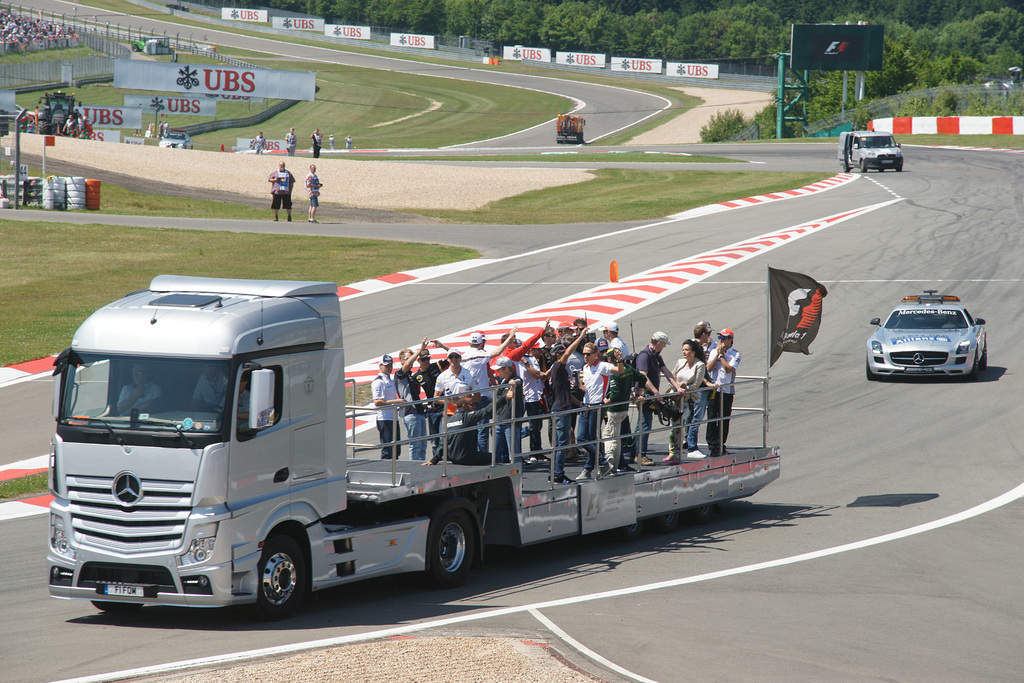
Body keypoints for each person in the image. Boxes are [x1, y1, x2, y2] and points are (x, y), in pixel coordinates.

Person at [575, 337, 626, 480]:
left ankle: (589, 468)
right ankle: (598, 464)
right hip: (586, 406)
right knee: (582, 438)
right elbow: (586, 386)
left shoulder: (602, 365)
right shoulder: (584, 368)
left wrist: (619, 360)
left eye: (588, 354)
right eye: (584, 354)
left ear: (595, 354)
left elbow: (619, 370)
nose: (585, 356)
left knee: (590, 439)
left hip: (597, 406)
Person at [634, 331, 685, 466]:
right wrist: (655, 391)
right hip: (644, 396)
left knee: (641, 425)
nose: (665, 347)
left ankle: (634, 452)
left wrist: (677, 387)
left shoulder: (656, 355)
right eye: (664, 344)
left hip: (650, 395)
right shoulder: (645, 356)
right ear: (658, 343)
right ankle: (640, 455)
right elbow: (642, 376)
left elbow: (666, 371)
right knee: (644, 425)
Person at [548, 332, 588, 484]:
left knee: (560, 444)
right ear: (559, 354)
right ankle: (558, 475)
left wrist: (581, 404)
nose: (566, 354)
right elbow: (568, 352)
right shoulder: (558, 367)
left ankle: (555, 473)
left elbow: (567, 395)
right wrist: (580, 338)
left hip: (561, 407)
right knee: (562, 445)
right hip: (561, 410)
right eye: (563, 353)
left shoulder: (556, 369)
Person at [423, 384, 491, 467]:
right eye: (471, 404)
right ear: (464, 406)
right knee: (492, 457)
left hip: (453, 458)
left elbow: (443, 443)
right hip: (467, 458)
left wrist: (434, 460)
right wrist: (504, 398)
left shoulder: (449, 420)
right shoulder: (468, 417)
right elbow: (487, 410)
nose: (473, 407)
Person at [602, 347, 643, 471]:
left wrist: (604, 402)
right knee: (617, 437)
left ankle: (609, 464)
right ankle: (617, 464)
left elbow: (614, 396)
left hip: (614, 409)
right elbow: (642, 378)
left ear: (610, 359)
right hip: (624, 409)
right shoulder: (629, 369)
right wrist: (636, 395)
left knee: (609, 436)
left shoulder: (614, 374)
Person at [669, 339, 707, 461]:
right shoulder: (680, 362)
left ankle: (684, 450)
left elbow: (696, 385)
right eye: (683, 350)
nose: (684, 352)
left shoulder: (699, 365)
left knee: (681, 424)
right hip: (676, 397)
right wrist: (677, 388)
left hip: (688, 399)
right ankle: (673, 452)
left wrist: (685, 387)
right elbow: (673, 376)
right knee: (674, 426)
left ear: (693, 352)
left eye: (687, 350)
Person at [706, 328, 741, 457]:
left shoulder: (736, 354)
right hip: (714, 389)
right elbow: (708, 368)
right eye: (720, 338)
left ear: (730, 340)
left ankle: (721, 444)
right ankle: (712, 445)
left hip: (727, 391)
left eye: (724, 338)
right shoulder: (714, 351)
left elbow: (728, 369)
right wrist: (716, 355)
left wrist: (722, 356)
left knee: (724, 419)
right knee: (712, 417)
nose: (721, 340)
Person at [394, 341, 429, 461]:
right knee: (415, 444)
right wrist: (421, 349)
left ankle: (422, 466)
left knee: (423, 444)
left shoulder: (411, 376)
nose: (411, 361)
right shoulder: (399, 374)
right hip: (410, 412)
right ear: (401, 360)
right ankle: (414, 469)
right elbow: (409, 364)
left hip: (419, 411)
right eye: (407, 358)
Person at [413, 343, 449, 459]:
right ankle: (435, 461)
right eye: (424, 359)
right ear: (418, 360)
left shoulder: (437, 366)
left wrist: (442, 346)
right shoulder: (417, 376)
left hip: (445, 407)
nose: (427, 361)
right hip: (432, 410)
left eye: (428, 358)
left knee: (445, 438)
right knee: (434, 441)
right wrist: (423, 406)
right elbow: (414, 395)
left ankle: (446, 461)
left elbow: (453, 356)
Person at [491, 356, 525, 464]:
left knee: (514, 453)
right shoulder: (502, 382)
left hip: (511, 422)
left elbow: (517, 383)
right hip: (499, 421)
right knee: (495, 454)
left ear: (506, 369)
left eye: (498, 369)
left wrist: (512, 384)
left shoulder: (516, 380)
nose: (497, 371)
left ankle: (518, 478)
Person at [371, 354, 403, 459]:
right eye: (386, 365)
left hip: (394, 418)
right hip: (384, 419)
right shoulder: (378, 381)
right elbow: (377, 402)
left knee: (396, 450)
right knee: (387, 451)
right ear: (380, 366)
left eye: (390, 365)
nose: (389, 368)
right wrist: (396, 401)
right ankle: (386, 473)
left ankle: (395, 472)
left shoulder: (391, 379)